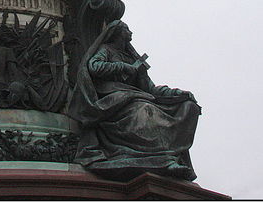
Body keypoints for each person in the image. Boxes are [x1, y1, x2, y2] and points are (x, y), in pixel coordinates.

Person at [67, 20, 201, 181]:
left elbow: (151, 89)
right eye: (127, 30)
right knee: (144, 110)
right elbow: (94, 67)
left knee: (186, 106)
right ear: (117, 33)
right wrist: (122, 67)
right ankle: (162, 159)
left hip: (135, 97)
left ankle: (166, 158)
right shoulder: (106, 50)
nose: (130, 33)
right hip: (113, 98)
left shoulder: (134, 59)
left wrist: (178, 93)